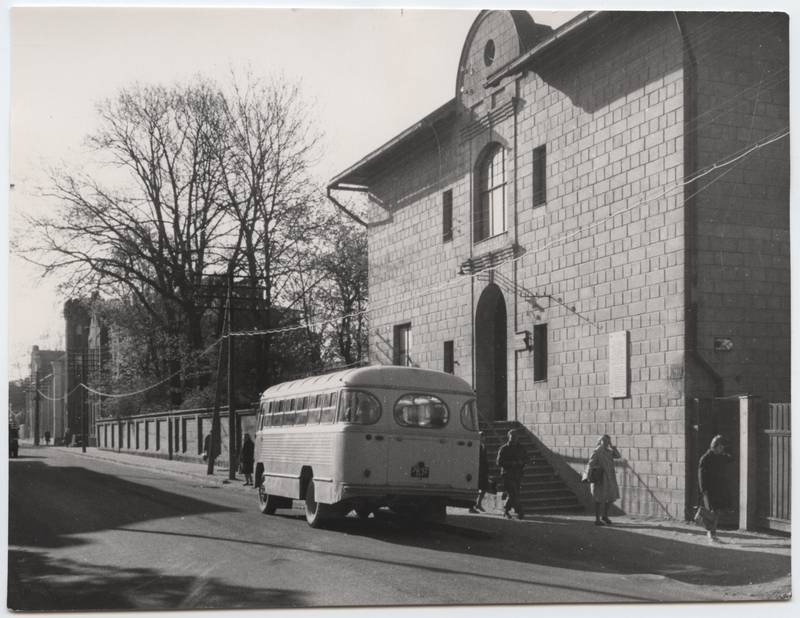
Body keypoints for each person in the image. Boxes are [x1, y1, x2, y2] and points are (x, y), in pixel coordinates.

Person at [698, 434, 733, 544]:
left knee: (716, 512)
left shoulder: (720, 457)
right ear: (715, 446)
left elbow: (731, 458)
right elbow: (701, 476)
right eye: (721, 447)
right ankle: (711, 533)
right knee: (712, 512)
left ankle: (712, 533)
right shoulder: (706, 458)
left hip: (718, 489)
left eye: (723, 447)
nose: (722, 449)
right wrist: (704, 491)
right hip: (709, 490)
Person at [587, 434, 621, 525]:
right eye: (604, 441)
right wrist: (589, 475)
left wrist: (612, 446)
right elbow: (590, 463)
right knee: (598, 498)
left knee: (611, 497)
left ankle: (605, 516)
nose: (606, 443)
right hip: (600, 478)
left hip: (610, 477)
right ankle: (597, 519)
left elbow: (618, 456)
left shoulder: (609, 451)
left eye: (608, 441)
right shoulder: (597, 451)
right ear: (600, 441)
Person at [496, 429, 528, 519]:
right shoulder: (504, 448)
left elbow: (527, 459)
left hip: (518, 474)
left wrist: (521, 462)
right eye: (512, 437)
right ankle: (520, 511)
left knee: (515, 493)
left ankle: (506, 510)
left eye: (516, 437)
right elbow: (498, 462)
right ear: (508, 437)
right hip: (507, 474)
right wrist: (511, 463)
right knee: (513, 493)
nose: (514, 439)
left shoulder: (521, 448)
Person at [470, 432, 489, 513]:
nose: (483, 438)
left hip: (483, 470)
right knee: (475, 489)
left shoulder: (483, 446)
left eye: (484, 437)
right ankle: (471, 507)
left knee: (484, 488)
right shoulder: (476, 446)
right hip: (477, 470)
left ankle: (479, 503)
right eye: (481, 437)